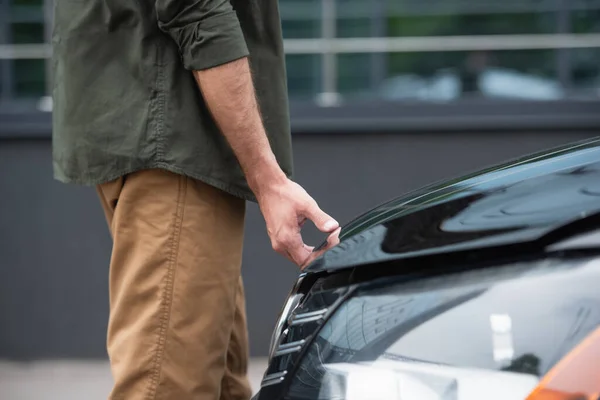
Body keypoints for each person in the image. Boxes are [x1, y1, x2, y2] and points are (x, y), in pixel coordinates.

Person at [51, 0, 340, 399]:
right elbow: (194, 7)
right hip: (176, 135)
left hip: (156, 126)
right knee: (168, 388)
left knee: (220, 385)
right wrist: (268, 180)